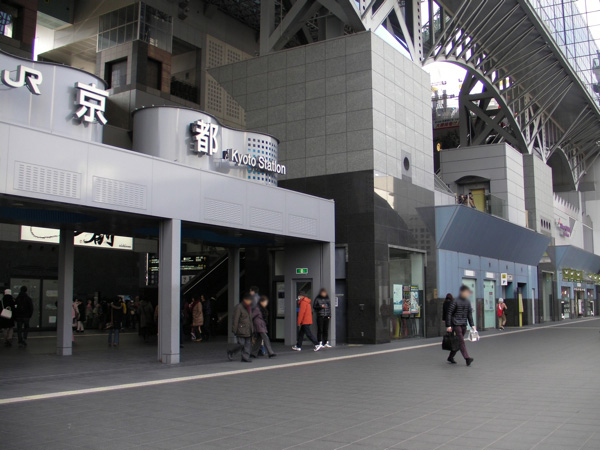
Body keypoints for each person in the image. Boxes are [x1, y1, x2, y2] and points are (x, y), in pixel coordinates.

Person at [446, 285, 476, 366]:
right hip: (456, 324)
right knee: (461, 341)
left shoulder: (467, 302)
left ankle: (450, 357)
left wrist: (472, 325)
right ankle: (467, 358)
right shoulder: (455, 301)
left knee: (458, 342)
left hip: (463, 324)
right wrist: (448, 325)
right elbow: (449, 313)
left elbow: (469, 314)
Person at [227, 293, 254, 362]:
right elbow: (235, 319)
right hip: (241, 329)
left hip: (248, 329)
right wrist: (234, 329)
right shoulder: (239, 307)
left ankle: (245, 357)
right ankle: (231, 351)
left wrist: (252, 328)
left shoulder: (249, 307)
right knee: (241, 344)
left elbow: (250, 319)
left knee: (247, 344)